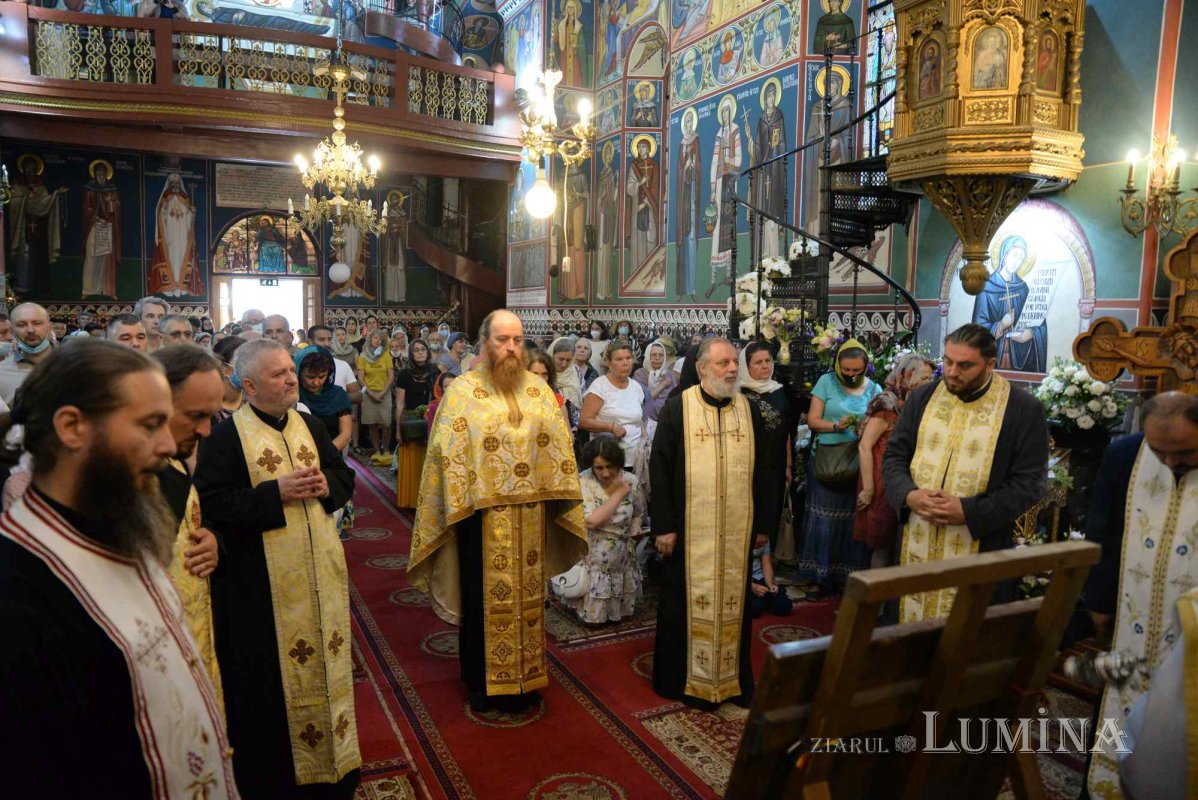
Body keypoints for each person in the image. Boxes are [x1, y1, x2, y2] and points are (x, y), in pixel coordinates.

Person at [0, 340, 236, 798]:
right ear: (72, 427)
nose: (168, 444)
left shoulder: (121, 523)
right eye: (151, 425)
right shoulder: (18, 593)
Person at [195, 338, 360, 798]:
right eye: (279, 374)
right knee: (271, 685)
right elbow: (210, 506)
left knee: (328, 672)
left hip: (321, 574)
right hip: (261, 587)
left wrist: (329, 483)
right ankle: (283, 781)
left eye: (291, 370)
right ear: (248, 385)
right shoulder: (228, 437)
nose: (291, 379)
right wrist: (275, 493)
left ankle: (337, 770)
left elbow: (344, 477)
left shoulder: (310, 426)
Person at [409, 310, 586, 713]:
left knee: (529, 597)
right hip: (479, 519)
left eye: (518, 340)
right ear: (484, 342)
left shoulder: (539, 392)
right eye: (502, 340)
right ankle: (481, 683)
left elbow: (558, 446)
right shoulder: (463, 392)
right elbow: (443, 454)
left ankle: (526, 679)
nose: (510, 348)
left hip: (530, 515)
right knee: (481, 601)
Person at [882, 324, 1048, 622]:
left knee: (966, 643)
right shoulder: (922, 399)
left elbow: (1029, 484)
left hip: (981, 547)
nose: (952, 371)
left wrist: (969, 511)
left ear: (990, 364)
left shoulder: (1022, 408)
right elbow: (894, 457)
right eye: (948, 361)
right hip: (914, 542)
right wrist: (909, 495)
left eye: (965, 365)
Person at [1080, 391, 1198, 797]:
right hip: (1130, 618)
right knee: (1117, 700)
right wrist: (1097, 601)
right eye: (1159, 451)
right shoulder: (1124, 456)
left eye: (1182, 452)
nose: (1169, 462)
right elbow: (1102, 529)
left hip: (1191, 632)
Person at [649, 338, 768, 709]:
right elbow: (660, 469)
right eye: (723, 364)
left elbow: (765, 472)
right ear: (702, 368)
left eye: (735, 362)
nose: (732, 369)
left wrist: (763, 524)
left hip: (736, 530)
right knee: (682, 605)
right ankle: (683, 682)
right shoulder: (677, 409)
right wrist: (664, 527)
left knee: (736, 605)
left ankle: (733, 680)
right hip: (688, 532)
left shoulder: (750, 411)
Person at [151, 344, 226, 713]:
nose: (207, 431)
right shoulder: (116, 476)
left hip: (193, 631)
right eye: (195, 415)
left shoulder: (173, 458)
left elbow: (191, 514)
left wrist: (210, 535)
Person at [798, 339, 881, 595]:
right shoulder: (826, 382)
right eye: (846, 370)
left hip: (858, 462)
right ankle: (819, 575)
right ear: (838, 365)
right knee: (822, 518)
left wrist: (863, 425)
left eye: (857, 371)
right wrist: (837, 426)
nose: (852, 375)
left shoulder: (875, 388)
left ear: (865, 367)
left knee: (852, 518)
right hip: (827, 458)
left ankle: (848, 576)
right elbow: (812, 421)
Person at [854, 353, 935, 569]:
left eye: (930, 378)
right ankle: (877, 599)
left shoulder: (912, 404)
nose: (930, 383)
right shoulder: (887, 405)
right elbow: (865, 446)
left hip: (903, 480)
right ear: (907, 376)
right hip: (881, 482)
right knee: (883, 545)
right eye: (925, 378)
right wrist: (869, 490)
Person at [563, 437, 644, 624]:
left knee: (620, 614)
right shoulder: (584, 481)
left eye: (610, 467)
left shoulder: (631, 480)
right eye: (599, 468)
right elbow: (592, 521)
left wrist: (636, 528)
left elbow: (639, 512)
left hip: (622, 554)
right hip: (594, 552)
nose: (605, 473)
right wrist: (619, 494)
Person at [738, 342, 797, 550]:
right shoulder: (738, 395)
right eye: (758, 362)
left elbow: (785, 430)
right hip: (750, 466)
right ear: (746, 366)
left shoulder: (778, 390)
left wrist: (788, 465)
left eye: (768, 361)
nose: (765, 366)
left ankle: (765, 567)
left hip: (776, 464)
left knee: (770, 516)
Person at [581, 342, 647, 473]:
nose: (625, 363)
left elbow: (639, 419)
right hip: (606, 459)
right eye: (619, 359)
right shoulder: (599, 386)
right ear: (609, 363)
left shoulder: (636, 387)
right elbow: (584, 421)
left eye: (628, 358)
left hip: (634, 458)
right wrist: (611, 427)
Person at [394, 339, 438, 508]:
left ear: (427, 352)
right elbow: (399, 404)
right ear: (411, 354)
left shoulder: (434, 371)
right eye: (416, 350)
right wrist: (398, 430)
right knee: (412, 463)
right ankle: (411, 500)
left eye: (423, 350)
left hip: (430, 420)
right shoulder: (405, 374)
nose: (420, 353)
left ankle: (428, 501)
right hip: (411, 422)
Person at [297, 346, 353, 452]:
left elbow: (345, 434)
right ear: (299, 374)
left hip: (331, 456)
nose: (316, 382)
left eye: (322, 376)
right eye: (310, 377)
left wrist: (325, 455)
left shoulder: (338, 395)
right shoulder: (294, 396)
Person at [0, 302, 54, 406]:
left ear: (50, 327)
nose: (30, 330)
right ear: (13, 330)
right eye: (21, 325)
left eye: (37, 323)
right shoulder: (1, 372)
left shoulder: (75, 365)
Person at [356, 328, 394, 459]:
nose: (378, 340)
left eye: (380, 339)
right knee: (373, 425)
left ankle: (386, 449)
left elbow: (391, 376)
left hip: (385, 393)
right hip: (369, 394)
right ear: (369, 339)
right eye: (375, 338)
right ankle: (377, 450)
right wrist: (371, 393)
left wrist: (382, 393)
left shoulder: (386, 355)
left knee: (387, 424)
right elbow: (360, 378)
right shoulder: (363, 356)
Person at [309, 324, 363, 406]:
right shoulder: (302, 365)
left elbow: (357, 396)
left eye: (329, 339)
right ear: (310, 342)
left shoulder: (342, 365)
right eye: (321, 340)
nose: (327, 343)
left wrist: (333, 399)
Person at [529, 350, 573, 433]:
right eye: (535, 374)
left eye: (544, 374)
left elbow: (568, 436)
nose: (540, 379)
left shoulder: (556, 400)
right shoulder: (514, 399)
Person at [635, 339, 678, 422]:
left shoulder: (669, 374)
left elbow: (674, 399)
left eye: (661, 355)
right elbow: (644, 399)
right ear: (648, 356)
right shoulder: (640, 374)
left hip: (666, 418)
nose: (657, 358)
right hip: (645, 419)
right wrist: (663, 384)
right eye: (654, 355)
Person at [749, 537, 792, 618]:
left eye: (763, 543)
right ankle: (759, 601)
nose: (761, 545)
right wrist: (751, 586)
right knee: (754, 610)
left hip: (759, 576)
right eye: (757, 544)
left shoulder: (764, 537)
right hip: (743, 580)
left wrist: (770, 584)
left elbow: (766, 564)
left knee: (785, 606)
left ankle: (762, 600)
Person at [211, 335, 245, 426]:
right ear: (222, 367)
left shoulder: (255, 403)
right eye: (242, 363)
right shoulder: (208, 407)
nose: (249, 368)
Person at [550, 335, 583, 414]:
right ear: (552, 355)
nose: (564, 364)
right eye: (561, 359)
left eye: (568, 360)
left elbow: (583, 397)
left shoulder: (575, 371)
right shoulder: (544, 371)